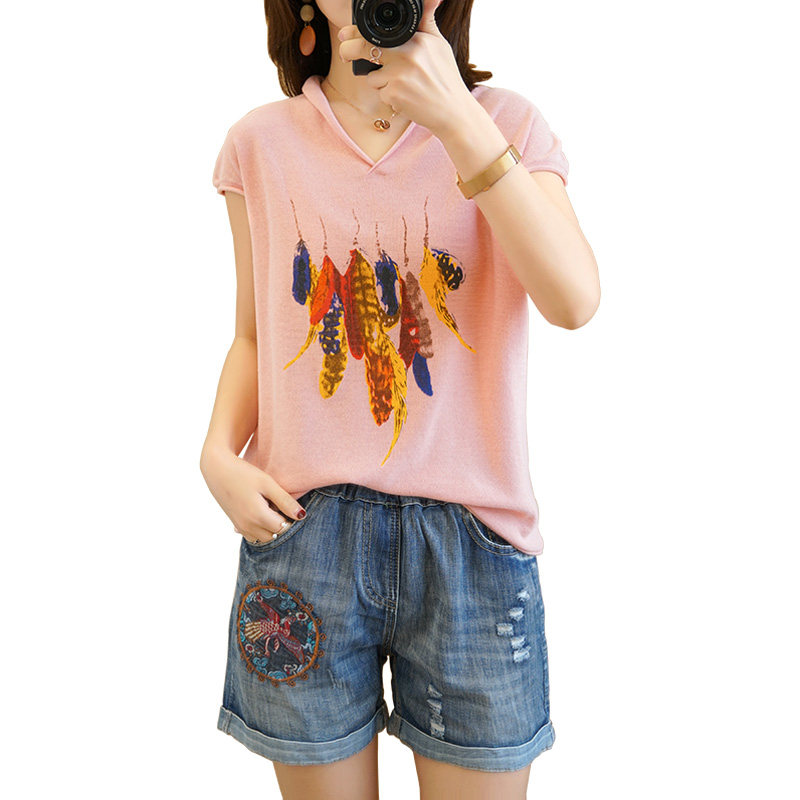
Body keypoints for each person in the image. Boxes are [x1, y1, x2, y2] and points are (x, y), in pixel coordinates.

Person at [199, 1, 600, 797]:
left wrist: (458, 121)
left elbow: (573, 299)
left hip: (473, 546)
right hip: (304, 533)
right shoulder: (259, 143)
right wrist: (217, 454)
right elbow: (254, 333)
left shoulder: (506, 125)